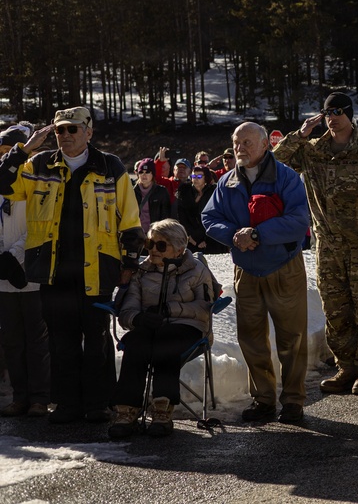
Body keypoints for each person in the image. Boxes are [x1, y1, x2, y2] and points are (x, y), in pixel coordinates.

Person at [0, 107, 144, 424]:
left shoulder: (110, 166)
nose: (65, 135)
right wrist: (24, 148)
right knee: (60, 340)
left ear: (88, 132)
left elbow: (130, 219)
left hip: (98, 268)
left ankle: (98, 403)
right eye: (59, 130)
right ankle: (66, 404)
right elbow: (3, 183)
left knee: (96, 339)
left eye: (72, 129)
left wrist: (130, 262)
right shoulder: (38, 164)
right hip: (52, 270)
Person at [273, 93, 358, 397]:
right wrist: (301, 134)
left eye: (339, 112)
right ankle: (346, 367)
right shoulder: (313, 151)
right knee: (335, 309)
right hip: (328, 247)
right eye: (328, 113)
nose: (333, 118)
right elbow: (276, 161)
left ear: (350, 115)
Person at [202, 122, 311, 424]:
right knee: (251, 338)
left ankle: (293, 401)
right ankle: (263, 399)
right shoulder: (226, 182)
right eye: (236, 143)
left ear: (265, 145)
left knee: (292, 338)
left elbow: (299, 221)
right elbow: (209, 217)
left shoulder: (286, 178)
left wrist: (257, 234)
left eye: (247, 142)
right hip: (247, 270)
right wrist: (234, 235)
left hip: (284, 268)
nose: (240, 148)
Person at [108, 219, 219, 438]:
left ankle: (162, 410)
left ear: (179, 249)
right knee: (135, 342)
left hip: (189, 327)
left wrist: (171, 309)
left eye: (161, 245)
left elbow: (205, 308)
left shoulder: (197, 270)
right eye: (150, 244)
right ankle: (126, 410)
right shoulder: (142, 271)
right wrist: (139, 318)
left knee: (166, 342)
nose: (153, 250)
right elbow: (128, 309)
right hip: (151, 327)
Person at [0, 123, 50, 418]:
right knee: (12, 340)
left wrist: (14, 256)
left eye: (11, 151)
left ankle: (40, 398)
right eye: (2, 151)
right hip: (3, 278)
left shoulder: (34, 183)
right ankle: (19, 396)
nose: (5, 156)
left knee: (36, 340)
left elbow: (38, 226)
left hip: (30, 274)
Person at [174, 164, 227, 254]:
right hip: (190, 238)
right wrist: (191, 237)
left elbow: (216, 215)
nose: (196, 179)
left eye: (199, 176)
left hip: (211, 236)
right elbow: (181, 216)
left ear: (206, 178)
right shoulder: (184, 191)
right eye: (193, 176)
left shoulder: (214, 191)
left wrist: (204, 238)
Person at [133, 158, 171, 236]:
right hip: (136, 234)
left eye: (147, 172)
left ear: (153, 174)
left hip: (155, 234)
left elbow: (165, 216)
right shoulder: (132, 191)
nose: (144, 175)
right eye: (141, 172)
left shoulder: (161, 192)